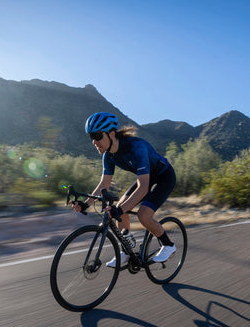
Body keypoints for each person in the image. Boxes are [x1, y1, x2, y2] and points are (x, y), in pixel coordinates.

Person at [72, 111, 177, 267]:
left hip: (164, 177)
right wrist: (86, 204)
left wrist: (120, 210)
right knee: (121, 209)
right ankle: (128, 251)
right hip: (147, 177)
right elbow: (103, 185)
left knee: (143, 215)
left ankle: (168, 245)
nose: (94, 141)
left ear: (112, 134)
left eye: (97, 136)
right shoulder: (108, 156)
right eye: (91, 137)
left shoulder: (136, 147)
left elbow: (143, 187)